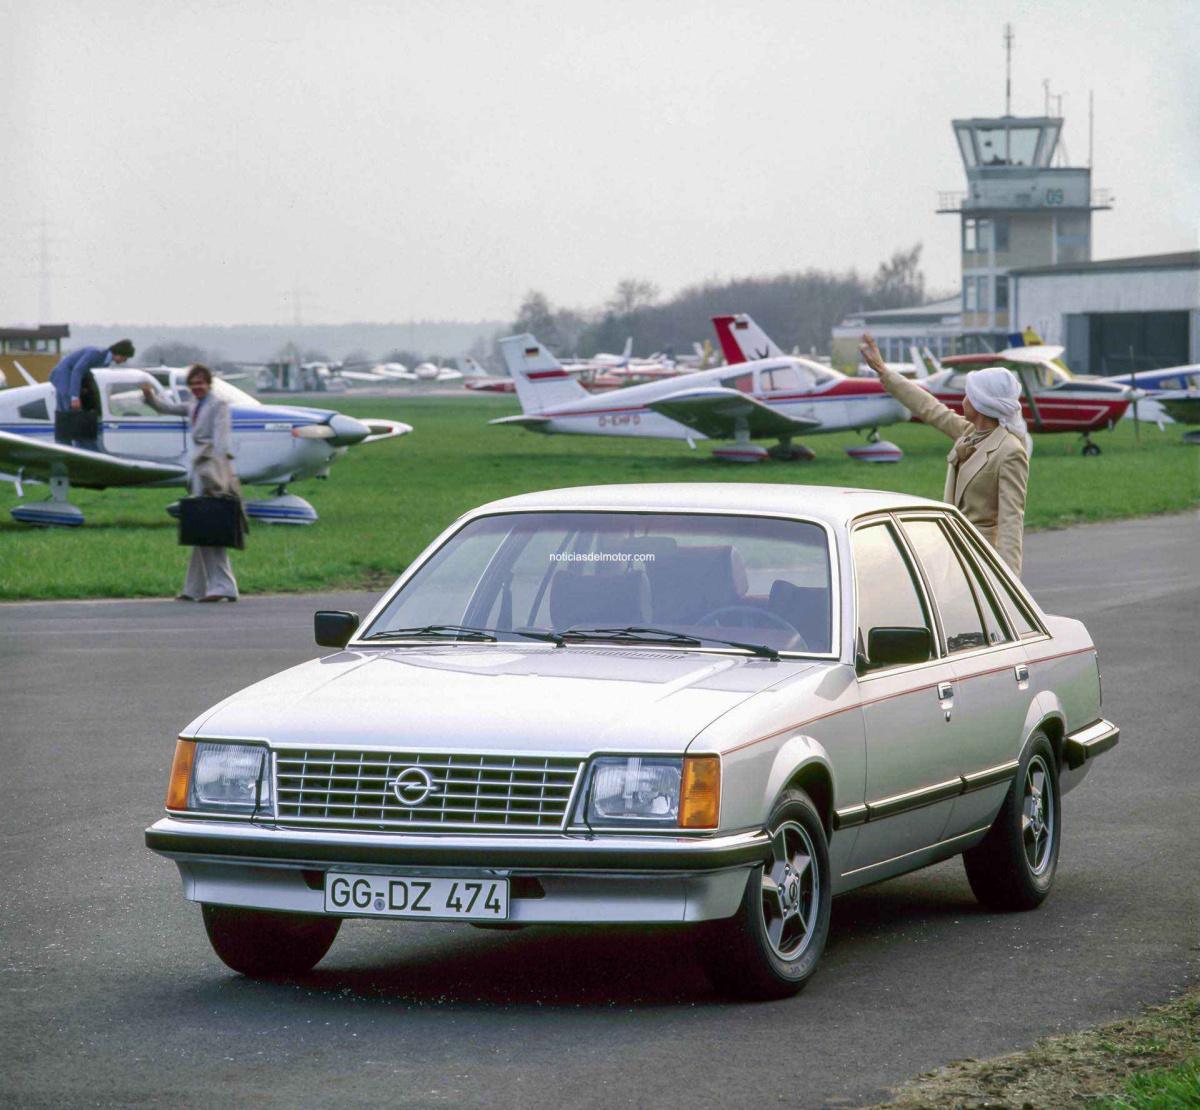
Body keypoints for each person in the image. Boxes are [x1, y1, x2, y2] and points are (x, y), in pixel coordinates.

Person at [860, 334, 1030, 575]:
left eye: (969, 394)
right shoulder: (969, 432)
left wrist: (1009, 582)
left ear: (981, 403)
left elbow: (1011, 521)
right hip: (954, 552)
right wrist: (883, 371)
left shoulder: (1010, 451)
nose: (964, 398)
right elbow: (928, 407)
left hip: (982, 562)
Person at [140, 364, 241, 602]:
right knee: (200, 530)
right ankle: (194, 588)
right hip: (198, 471)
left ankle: (224, 586)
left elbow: (221, 442)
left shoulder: (218, 405)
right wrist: (150, 398)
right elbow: (168, 408)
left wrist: (216, 478)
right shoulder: (194, 405)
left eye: (200, 383)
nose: (197, 387)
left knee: (211, 530)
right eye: (193, 384)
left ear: (209, 383)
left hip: (212, 472)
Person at [49, 339, 135, 448]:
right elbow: (78, 370)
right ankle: (70, 448)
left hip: (68, 378)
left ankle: (72, 446)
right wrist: (74, 397)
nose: (124, 361)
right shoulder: (97, 354)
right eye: (125, 358)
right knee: (70, 416)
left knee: (68, 416)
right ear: (119, 353)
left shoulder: (104, 359)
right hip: (64, 377)